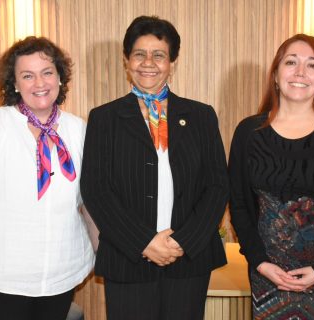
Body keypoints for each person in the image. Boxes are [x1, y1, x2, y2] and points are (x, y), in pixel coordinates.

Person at [80, 15, 229, 320]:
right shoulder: (104, 118)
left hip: (188, 260)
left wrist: (182, 242)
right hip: (128, 259)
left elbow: (217, 186)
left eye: (158, 55)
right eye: (139, 54)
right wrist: (144, 242)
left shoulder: (201, 116)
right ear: (126, 60)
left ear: (172, 62)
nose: (148, 62)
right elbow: (96, 190)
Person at [228, 34, 314, 320]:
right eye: (291, 62)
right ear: (276, 75)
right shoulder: (248, 133)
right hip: (268, 276)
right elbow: (240, 204)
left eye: (313, 65)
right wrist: (259, 262)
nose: (300, 72)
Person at [0, 36, 95, 320]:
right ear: (15, 83)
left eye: (47, 73)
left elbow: (89, 203)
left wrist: (103, 253)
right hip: (4, 281)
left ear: (59, 77)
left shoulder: (79, 130)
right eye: (27, 76)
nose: (39, 83)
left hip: (61, 276)